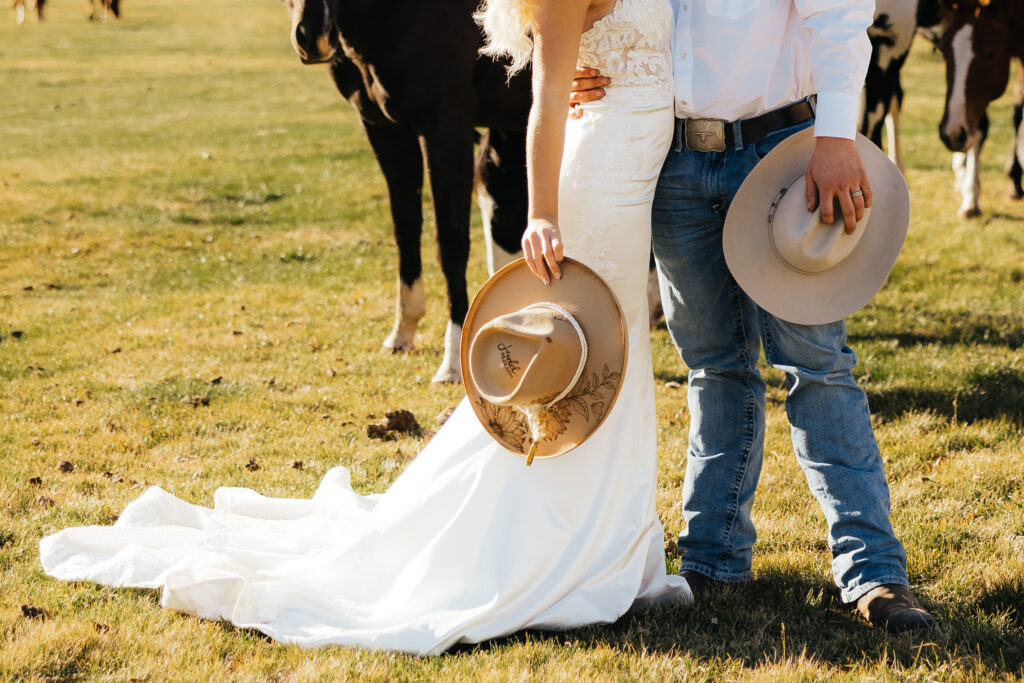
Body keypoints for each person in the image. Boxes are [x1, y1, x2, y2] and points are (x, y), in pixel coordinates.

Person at [39, 0, 692, 655]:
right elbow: (545, 101)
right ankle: (564, 550)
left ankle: (614, 544)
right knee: (585, 364)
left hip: (631, 174)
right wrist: (543, 213)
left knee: (619, 362)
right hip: (599, 182)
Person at [568, 0, 936, 632]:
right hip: (674, 160)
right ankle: (712, 557)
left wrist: (837, 136)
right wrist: (581, 59)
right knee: (712, 364)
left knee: (817, 365)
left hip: (782, 150)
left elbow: (841, 15)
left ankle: (873, 570)